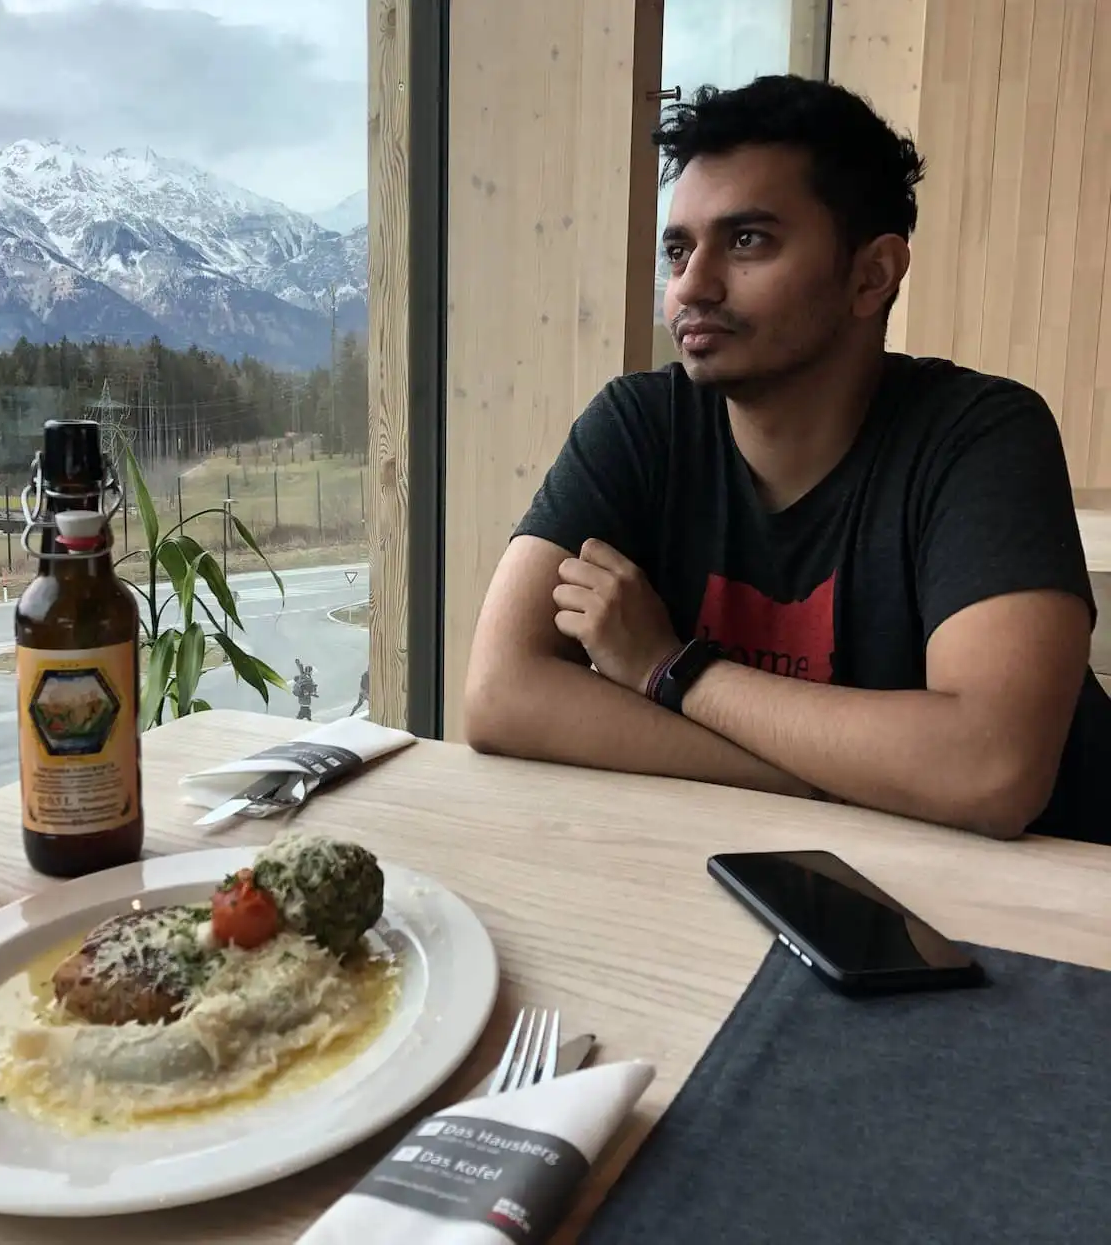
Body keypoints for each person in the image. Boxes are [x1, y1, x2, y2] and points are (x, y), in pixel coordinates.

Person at [464, 75, 1110, 845]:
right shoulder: (640, 424)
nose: (691, 286)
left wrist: (671, 670)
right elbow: (502, 695)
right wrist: (840, 778)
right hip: (778, 872)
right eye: (680, 248)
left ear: (873, 274)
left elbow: (990, 771)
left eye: (747, 241)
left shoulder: (981, 435)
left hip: (1040, 915)